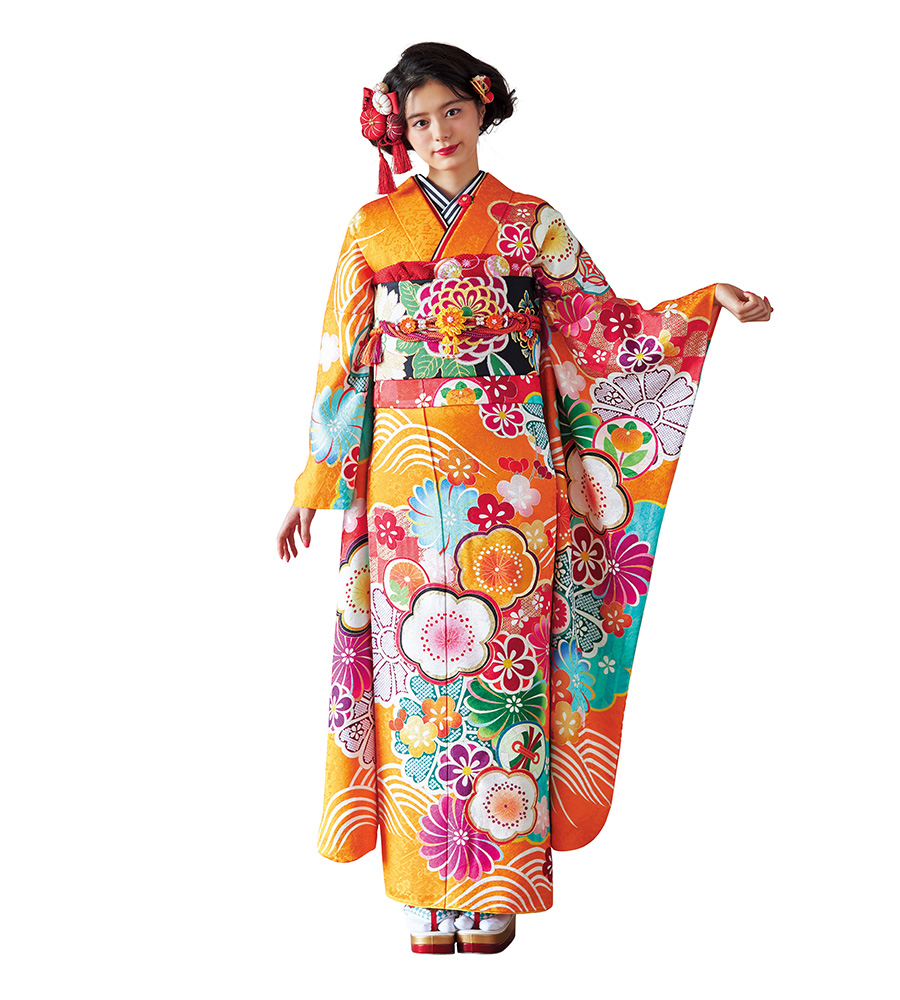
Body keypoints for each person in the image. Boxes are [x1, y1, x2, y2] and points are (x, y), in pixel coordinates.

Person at [276, 42, 772, 955]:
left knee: (502, 665)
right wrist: (314, 483)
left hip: (512, 477)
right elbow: (343, 361)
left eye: (451, 112)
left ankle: (497, 882)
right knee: (412, 672)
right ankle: (423, 885)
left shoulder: (530, 222)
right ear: (399, 132)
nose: (438, 133)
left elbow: (603, 325)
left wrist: (705, 304)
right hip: (400, 477)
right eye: (417, 121)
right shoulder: (372, 228)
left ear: (481, 107)